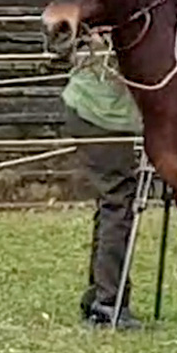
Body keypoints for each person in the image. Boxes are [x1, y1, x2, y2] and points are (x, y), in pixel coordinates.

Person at [62, 37, 145, 329]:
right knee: (118, 200)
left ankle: (100, 295)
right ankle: (109, 303)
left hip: (94, 109)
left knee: (112, 200)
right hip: (102, 115)